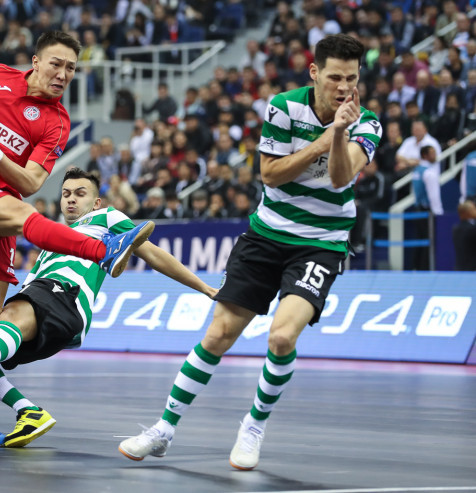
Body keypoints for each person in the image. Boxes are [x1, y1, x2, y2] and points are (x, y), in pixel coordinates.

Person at [118, 34, 382, 470]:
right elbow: (271, 174)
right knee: (218, 334)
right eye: (335, 77)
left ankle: (254, 426)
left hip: (321, 243)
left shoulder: (366, 123)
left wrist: (338, 132)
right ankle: (163, 429)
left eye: (351, 79)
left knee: (281, 337)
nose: (343, 87)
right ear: (314, 72)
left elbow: (339, 178)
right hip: (266, 235)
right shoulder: (283, 107)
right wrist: (321, 141)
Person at [0, 30, 155, 413]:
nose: (63, 74)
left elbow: (32, 182)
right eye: (56, 64)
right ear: (35, 62)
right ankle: (103, 251)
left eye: (71, 68)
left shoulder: (57, 122)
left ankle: (6, 413)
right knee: (27, 216)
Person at [0, 168, 217, 447]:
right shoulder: (50, 237)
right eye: (66, 194)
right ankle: (28, 411)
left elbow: (154, 254)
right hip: (39, 306)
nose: (71, 199)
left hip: (67, 299)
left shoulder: (106, 218)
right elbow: (29, 288)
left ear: (96, 202)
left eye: (80, 193)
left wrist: (205, 287)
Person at [452, 199, 476, 271]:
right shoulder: (472, 229)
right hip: (472, 270)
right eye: (474, 209)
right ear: (468, 212)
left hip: (459, 269)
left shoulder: (455, 229)